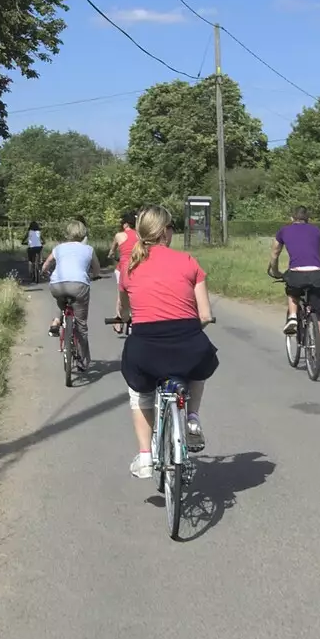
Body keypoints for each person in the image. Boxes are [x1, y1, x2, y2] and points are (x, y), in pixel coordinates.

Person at [121, 204, 217, 479]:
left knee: (140, 393)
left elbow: (126, 312)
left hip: (146, 347)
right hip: (187, 343)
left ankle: (144, 457)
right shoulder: (188, 261)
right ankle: (193, 418)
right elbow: (206, 315)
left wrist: (124, 317)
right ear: (165, 232)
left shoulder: (131, 266)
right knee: (201, 362)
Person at [42, 220, 102, 366]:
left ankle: (57, 321)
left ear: (68, 233)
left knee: (61, 301)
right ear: (83, 234)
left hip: (58, 285)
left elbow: (47, 264)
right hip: (79, 286)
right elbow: (96, 269)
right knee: (81, 325)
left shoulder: (59, 248)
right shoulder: (88, 249)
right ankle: (83, 359)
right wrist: (95, 276)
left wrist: (44, 272)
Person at [270, 206, 320, 339]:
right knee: (319, 316)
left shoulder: (284, 231)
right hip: (317, 274)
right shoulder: (317, 231)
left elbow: (275, 253)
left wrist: (275, 271)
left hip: (297, 274)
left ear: (291, 218)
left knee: (292, 291)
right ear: (308, 219)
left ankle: (292, 317)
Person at [107, 210, 137, 331]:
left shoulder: (119, 235)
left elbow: (112, 252)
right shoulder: (140, 235)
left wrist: (113, 256)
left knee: (121, 295)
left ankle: (118, 323)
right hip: (136, 267)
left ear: (125, 224)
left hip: (122, 268)